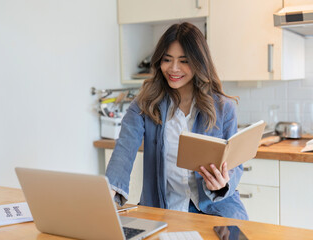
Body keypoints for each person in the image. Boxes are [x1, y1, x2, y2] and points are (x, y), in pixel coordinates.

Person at [106, 22, 248, 220]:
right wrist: (106, 197)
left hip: (216, 211)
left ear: (199, 63)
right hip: (163, 210)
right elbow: (124, 150)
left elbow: (234, 166)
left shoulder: (224, 108)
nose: (173, 68)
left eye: (184, 61)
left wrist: (223, 183)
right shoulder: (144, 105)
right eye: (167, 59)